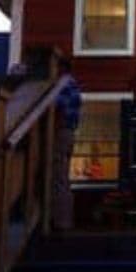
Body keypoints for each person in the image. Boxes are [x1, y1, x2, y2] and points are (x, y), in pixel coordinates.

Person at [52, 57, 81, 231]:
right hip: (68, 132)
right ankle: (62, 220)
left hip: (61, 132)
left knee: (58, 176)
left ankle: (60, 222)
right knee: (61, 175)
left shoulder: (64, 85)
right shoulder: (72, 84)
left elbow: (58, 109)